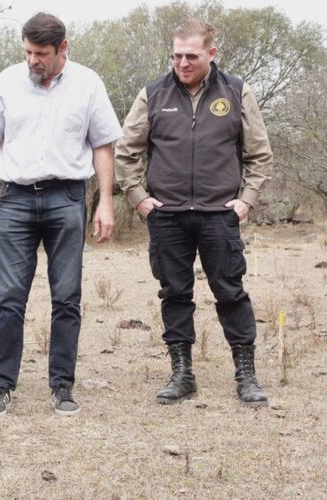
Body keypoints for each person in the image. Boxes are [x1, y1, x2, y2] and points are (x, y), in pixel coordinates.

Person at [115, 19, 272, 407]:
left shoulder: (237, 91)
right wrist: (139, 198)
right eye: (176, 55)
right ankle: (182, 373)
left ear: (211, 54)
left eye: (191, 56)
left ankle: (246, 375)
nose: (182, 63)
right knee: (175, 294)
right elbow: (126, 151)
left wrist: (246, 200)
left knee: (230, 292)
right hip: (166, 215)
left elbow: (259, 153)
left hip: (220, 214)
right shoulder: (153, 93)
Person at [0, 13, 122, 417]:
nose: (32, 61)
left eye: (40, 54)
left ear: (62, 49)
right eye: (27, 52)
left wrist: (105, 201)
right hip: (16, 198)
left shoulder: (88, 84)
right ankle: (0, 386)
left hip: (66, 197)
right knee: (9, 299)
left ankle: (62, 386)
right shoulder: (7, 81)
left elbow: (103, 146)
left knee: (67, 297)